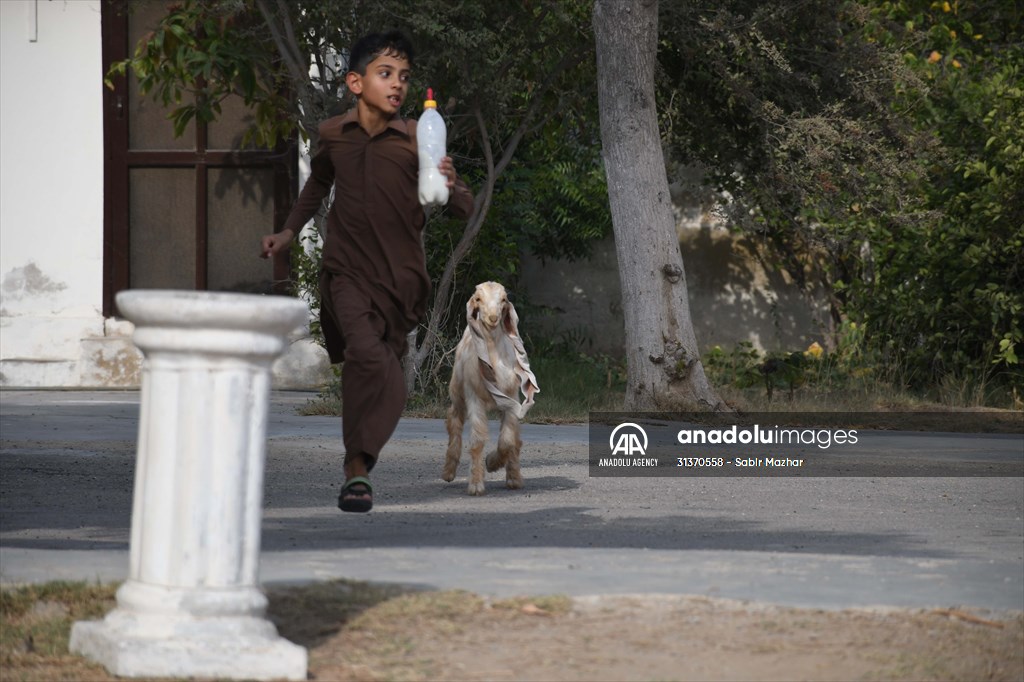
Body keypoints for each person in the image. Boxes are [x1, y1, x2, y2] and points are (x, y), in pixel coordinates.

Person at [260, 30, 475, 513]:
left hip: (401, 284)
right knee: (365, 356)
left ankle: (360, 461)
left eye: (403, 77)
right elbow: (316, 185)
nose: (397, 84)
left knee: (390, 379)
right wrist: (288, 234)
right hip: (347, 274)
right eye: (385, 74)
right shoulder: (333, 133)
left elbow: (462, 205)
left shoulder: (415, 138)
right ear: (355, 82)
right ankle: (356, 470)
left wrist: (451, 181)